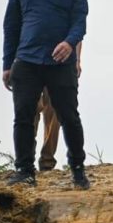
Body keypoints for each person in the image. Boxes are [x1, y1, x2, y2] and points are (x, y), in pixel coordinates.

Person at [2, 0, 90, 189]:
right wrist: (7, 64)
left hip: (60, 62)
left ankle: (77, 168)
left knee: (69, 116)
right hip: (26, 61)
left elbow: (80, 21)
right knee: (23, 116)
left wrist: (69, 42)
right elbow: (11, 26)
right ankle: (25, 170)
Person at [33, 41, 82, 171]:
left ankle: (47, 160)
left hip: (60, 64)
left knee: (55, 112)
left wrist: (77, 60)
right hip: (31, 61)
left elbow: (76, 33)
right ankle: (26, 158)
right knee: (30, 109)